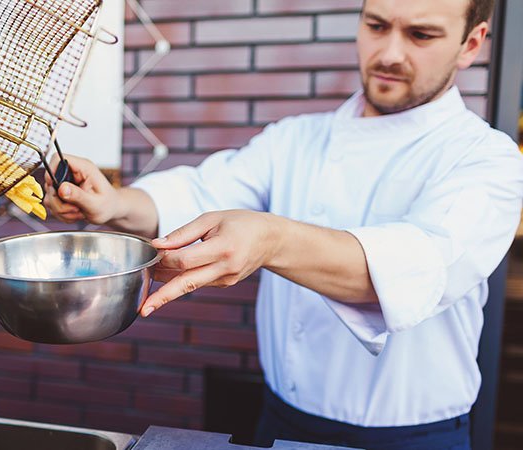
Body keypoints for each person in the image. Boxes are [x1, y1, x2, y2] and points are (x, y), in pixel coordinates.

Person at [45, 0, 523, 448]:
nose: (390, 53)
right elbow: (200, 193)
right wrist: (112, 203)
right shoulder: (296, 138)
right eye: (376, 26)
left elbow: (417, 266)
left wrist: (271, 240)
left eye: (421, 35)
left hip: (411, 437)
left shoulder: (486, 158)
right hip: (279, 421)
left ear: (471, 44)